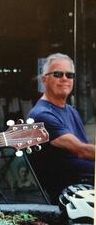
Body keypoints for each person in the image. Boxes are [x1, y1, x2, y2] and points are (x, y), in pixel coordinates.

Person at [28, 53, 95, 204]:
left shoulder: (71, 110)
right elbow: (81, 151)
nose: (65, 78)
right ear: (44, 79)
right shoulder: (41, 115)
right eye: (58, 74)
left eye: (69, 75)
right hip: (71, 194)